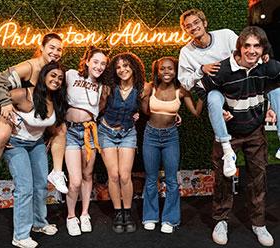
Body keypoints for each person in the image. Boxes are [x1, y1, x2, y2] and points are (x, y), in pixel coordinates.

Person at [201, 26, 280, 247]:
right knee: (223, 179)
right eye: (247, 46)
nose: (252, 51)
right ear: (240, 47)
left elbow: (275, 83)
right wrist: (220, 107)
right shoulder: (223, 69)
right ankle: (220, 221)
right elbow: (201, 89)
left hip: (255, 130)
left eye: (257, 46)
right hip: (229, 132)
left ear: (263, 48)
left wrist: (272, 105)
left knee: (258, 178)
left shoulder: (266, 66)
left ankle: (259, 223)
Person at [178, 8, 280, 175]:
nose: (193, 27)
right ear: (185, 30)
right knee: (212, 97)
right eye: (188, 26)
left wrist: (263, 56)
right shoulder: (187, 53)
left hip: (240, 88)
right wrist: (201, 70)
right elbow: (187, 84)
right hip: (216, 93)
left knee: (276, 91)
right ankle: (227, 150)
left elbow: (246, 51)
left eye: (196, 22)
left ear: (205, 23)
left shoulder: (225, 35)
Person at [0, 61, 68, 248]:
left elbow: (50, 124)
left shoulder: (56, 100)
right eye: (53, 75)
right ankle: (20, 236)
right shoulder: (23, 94)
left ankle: (39, 223)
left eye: (60, 78)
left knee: (40, 185)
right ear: (44, 76)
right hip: (15, 144)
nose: (56, 80)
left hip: (36, 144)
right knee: (25, 187)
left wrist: (50, 137)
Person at [0, 33, 68, 201]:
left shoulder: (52, 70)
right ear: (41, 47)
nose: (55, 52)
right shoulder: (31, 67)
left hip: (33, 122)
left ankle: (57, 173)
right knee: (3, 135)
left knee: (60, 128)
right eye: (52, 47)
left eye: (59, 49)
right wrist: (5, 103)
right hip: (14, 112)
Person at [141, 57, 202, 234]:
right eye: (162, 69)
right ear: (157, 72)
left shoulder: (180, 91)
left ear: (176, 71)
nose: (166, 72)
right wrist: (144, 97)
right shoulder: (150, 88)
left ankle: (170, 219)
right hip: (150, 136)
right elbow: (145, 112)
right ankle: (150, 216)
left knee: (172, 180)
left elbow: (196, 112)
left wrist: (207, 94)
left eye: (170, 69)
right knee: (151, 178)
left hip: (170, 138)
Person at [98, 52, 145, 233]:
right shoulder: (109, 88)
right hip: (106, 132)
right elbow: (99, 109)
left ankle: (127, 212)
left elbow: (150, 108)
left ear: (133, 67)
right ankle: (118, 213)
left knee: (125, 175)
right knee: (114, 175)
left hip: (128, 133)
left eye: (125, 66)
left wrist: (139, 113)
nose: (122, 70)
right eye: (118, 67)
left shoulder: (141, 90)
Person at [64, 46, 108, 236]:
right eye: (96, 62)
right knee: (74, 181)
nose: (99, 66)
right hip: (71, 132)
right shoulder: (71, 75)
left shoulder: (102, 86)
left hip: (90, 133)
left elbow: (101, 109)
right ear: (87, 61)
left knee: (87, 175)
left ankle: (84, 214)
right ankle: (71, 217)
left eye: (103, 64)